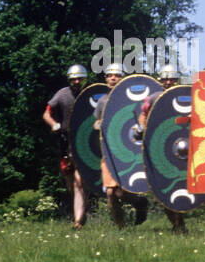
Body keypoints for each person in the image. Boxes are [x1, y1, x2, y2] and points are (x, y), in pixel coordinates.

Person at [93, 62, 149, 229]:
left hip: (127, 150)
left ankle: (139, 202)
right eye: (110, 75)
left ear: (122, 78)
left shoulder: (131, 99)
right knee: (110, 192)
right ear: (106, 79)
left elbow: (139, 122)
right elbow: (95, 123)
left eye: (116, 75)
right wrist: (99, 124)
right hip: (109, 151)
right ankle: (121, 228)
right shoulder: (103, 101)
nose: (113, 78)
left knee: (121, 192)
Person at [136, 62, 188, 234]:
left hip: (180, 147)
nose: (168, 82)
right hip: (158, 146)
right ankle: (175, 224)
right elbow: (143, 114)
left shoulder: (184, 96)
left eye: (171, 79)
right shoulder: (153, 97)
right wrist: (142, 127)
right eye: (165, 79)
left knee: (179, 184)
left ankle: (180, 222)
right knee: (162, 187)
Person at [43, 63, 90, 228]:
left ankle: (78, 221)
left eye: (80, 79)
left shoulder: (92, 94)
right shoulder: (62, 94)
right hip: (65, 141)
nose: (77, 82)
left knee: (79, 181)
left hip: (85, 143)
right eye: (74, 79)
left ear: (85, 79)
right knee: (70, 181)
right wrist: (53, 124)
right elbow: (47, 113)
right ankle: (81, 209)